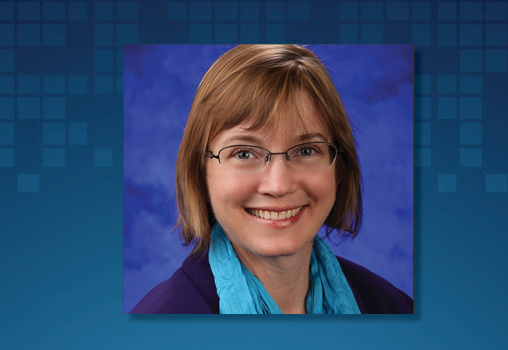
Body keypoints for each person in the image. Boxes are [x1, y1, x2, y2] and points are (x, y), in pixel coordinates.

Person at [131, 45, 413, 314]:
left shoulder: (392, 307)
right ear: (200, 173)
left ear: (339, 168)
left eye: (306, 150)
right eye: (243, 153)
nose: (278, 186)